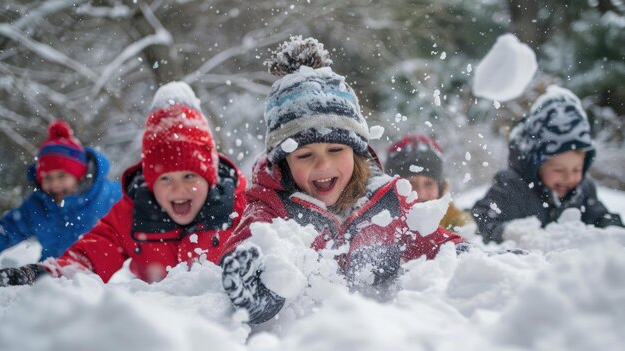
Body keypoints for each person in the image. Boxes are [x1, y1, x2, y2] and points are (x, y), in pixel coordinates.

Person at [220, 36, 463, 325]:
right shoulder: (272, 210)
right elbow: (246, 250)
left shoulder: (387, 204)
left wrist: (477, 261)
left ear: (357, 151)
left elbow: (442, 248)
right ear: (284, 163)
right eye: (305, 155)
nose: (323, 164)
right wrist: (258, 292)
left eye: (336, 150)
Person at [0, 81, 247, 286]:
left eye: (190, 176)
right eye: (165, 178)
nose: (178, 188)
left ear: (210, 177)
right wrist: (45, 275)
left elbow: (277, 256)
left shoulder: (241, 209)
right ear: (150, 181)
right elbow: (86, 258)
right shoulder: (132, 213)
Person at [471, 85, 624, 244]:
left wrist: (614, 233)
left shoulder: (582, 191)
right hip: (523, 264)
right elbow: (482, 217)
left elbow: (601, 218)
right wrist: (507, 233)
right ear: (537, 164)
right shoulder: (511, 187)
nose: (569, 177)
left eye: (577, 169)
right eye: (558, 169)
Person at [0, 120, 121, 262]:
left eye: (62, 176)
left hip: (102, 280)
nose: (55, 184)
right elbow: (7, 230)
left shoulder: (108, 196)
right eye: (47, 178)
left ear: (79, 175)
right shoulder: (38, 206)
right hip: (52, 275)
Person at [385, 133, 473, 231]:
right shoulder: (376, 230)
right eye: (409, 184)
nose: (421, 194)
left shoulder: (461, 227)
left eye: (428, 184)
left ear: (440, 189)